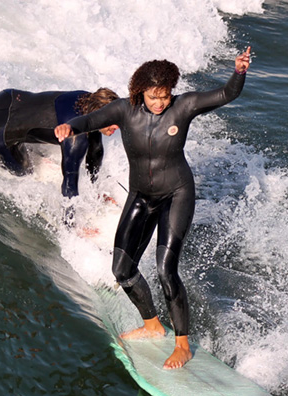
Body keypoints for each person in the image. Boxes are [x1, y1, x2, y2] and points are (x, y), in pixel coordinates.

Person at [55, 47, 252, 369]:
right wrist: (71, 128)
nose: (159, 103)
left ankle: (182, 344)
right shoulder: (124, 110)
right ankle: (152, 324)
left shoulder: (184, 106)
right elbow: (91, 119)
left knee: (165, 269)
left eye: (164, 96)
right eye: (153, 96)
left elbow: (226, 94)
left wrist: (239, 71)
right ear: (140, 91)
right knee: (121, 269)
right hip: (141, 196)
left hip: (176, 194)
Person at [0, 88, 119, 198]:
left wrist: (95, 189)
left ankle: (24, 145)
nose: (117, 127)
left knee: (93, 141)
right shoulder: (75, 139)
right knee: (22, 171)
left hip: (7, 96)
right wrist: (72, 228)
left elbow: (96, 151)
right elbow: (69, 187)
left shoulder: (88, 100)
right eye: (112, 122)